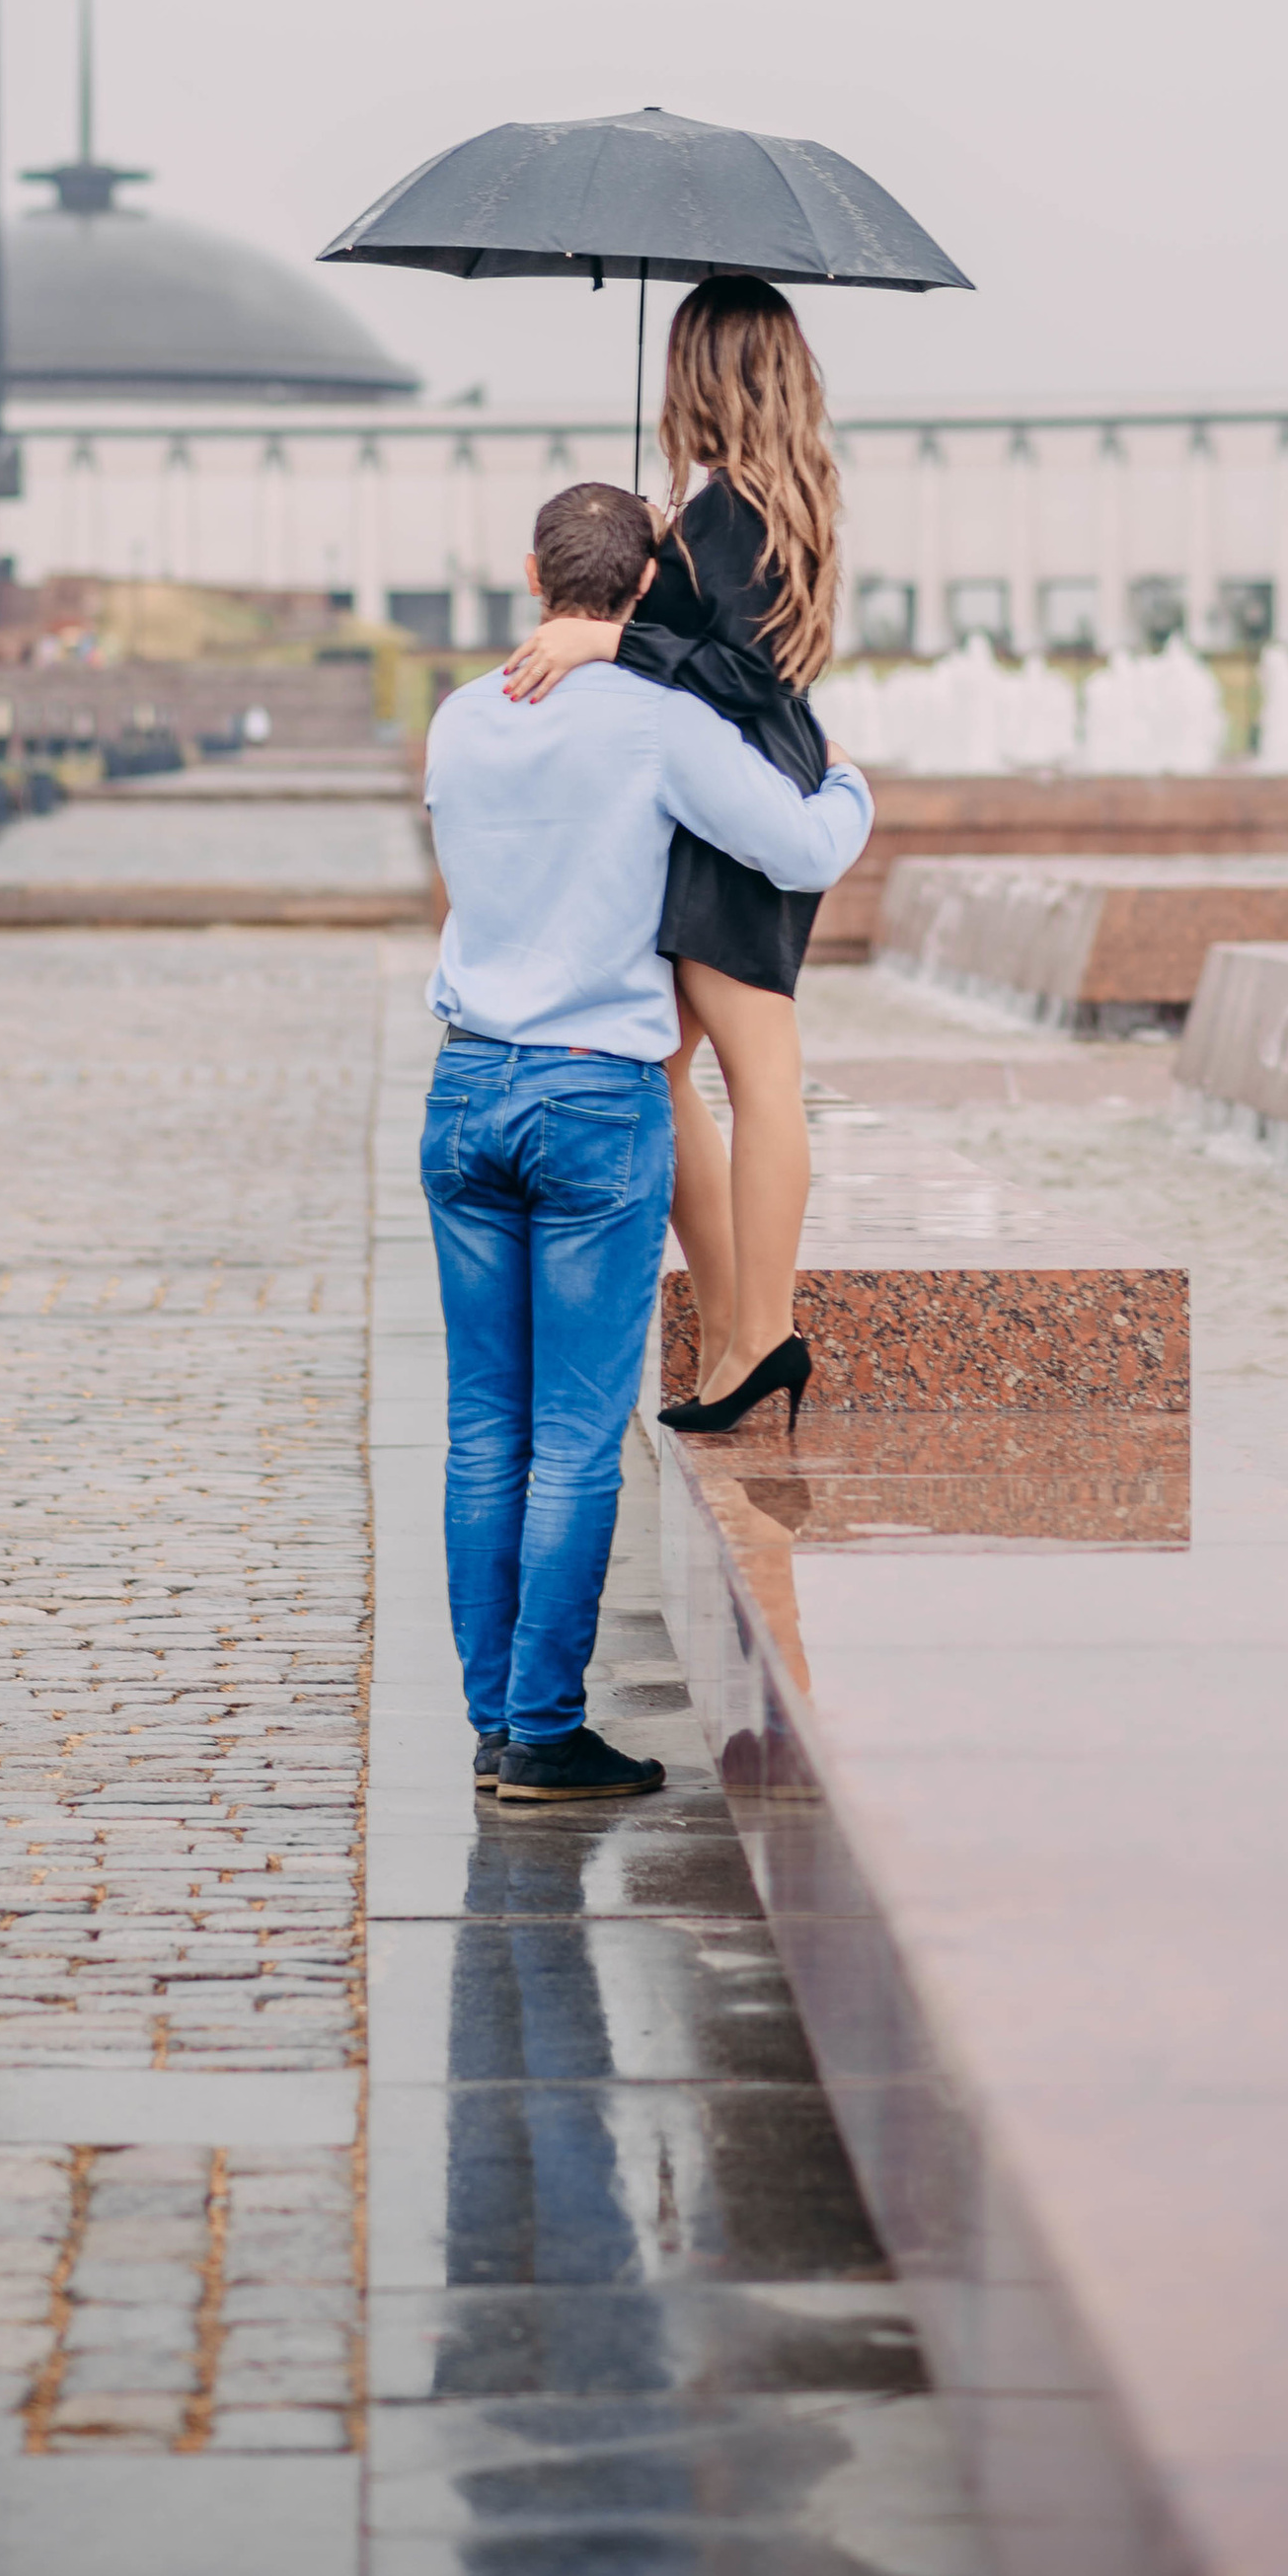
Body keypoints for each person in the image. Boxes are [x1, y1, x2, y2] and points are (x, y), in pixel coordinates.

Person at [423, 475, 871, 1806]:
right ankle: (546, 1732)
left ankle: (497, 1721)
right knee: (571, 1436)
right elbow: (794, 848)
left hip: (463, 1093)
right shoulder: (657, 725)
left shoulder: (458, 719)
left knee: (478, 1433)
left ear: (531, 575)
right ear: (648, 587)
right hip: (593, 1103)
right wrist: (847, 783)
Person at [499, 275, 842, 1438]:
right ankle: (745, 1323)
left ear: (702, 371)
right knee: (676, 1063)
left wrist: (614, 632)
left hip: (734, 805)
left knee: (752, 1072)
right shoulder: (750, 501)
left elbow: (744, 674)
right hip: (738, 791)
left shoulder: (733, 510)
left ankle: (760, 1329)